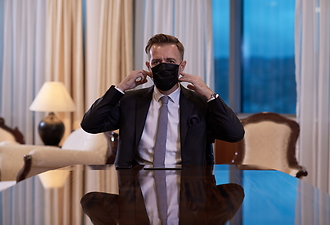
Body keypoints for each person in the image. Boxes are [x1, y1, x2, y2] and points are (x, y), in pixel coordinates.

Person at [81, 33, 244, 169]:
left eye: (170, 62)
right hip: (135, 187)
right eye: (157, 62)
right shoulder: (129, 102)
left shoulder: (199, 103)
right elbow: (90, 125)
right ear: (148, 66)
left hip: (189, 189)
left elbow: (235, 134)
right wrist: (121, 88)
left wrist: (209, 94)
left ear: (182, 66)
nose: (163, 66)